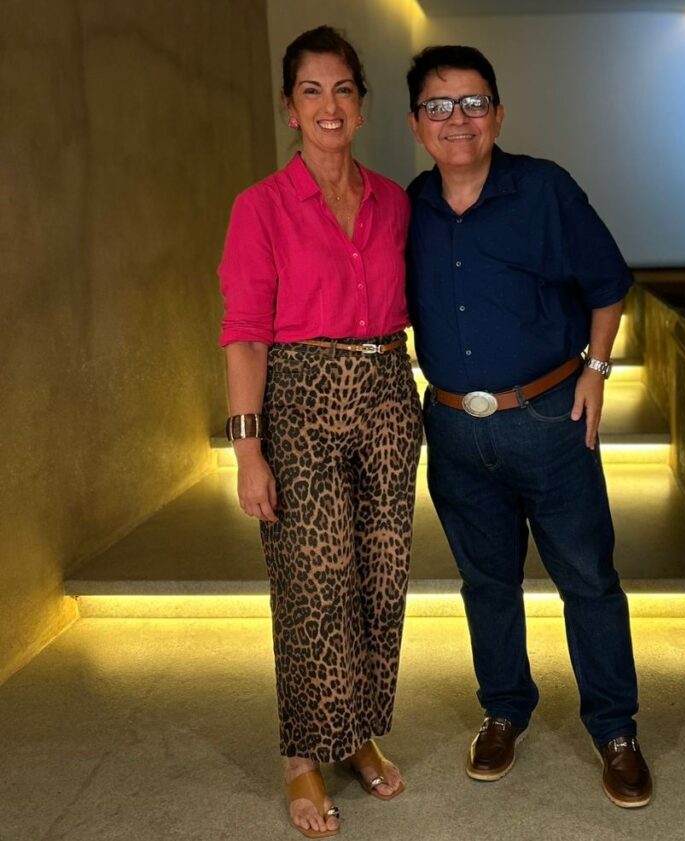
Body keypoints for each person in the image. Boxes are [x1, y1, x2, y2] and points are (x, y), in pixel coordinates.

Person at [404, 45, 653, 808]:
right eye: (439, 105)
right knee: (486, 582)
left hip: (549, 418)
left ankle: (615, 730)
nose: (458, 119)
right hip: (454, 429)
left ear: (499, 114)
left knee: (588, 578)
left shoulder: (545, 189)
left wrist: (597, 369)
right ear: (417, 123)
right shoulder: (408, 207)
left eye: (473, 102)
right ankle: (505, 709)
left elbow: (608, 283)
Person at [218, 26, 421, 839]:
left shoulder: (394, 203)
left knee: (380, 577)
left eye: (342, 89)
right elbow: (244, 334)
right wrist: (247, 448)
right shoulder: (261, 207)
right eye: (312, 91)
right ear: (290, 108)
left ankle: (356, 731)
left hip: (386, 395)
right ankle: (303, 752)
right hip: (300, 402)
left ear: (361, 105)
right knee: (313, 584)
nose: (329, 105)